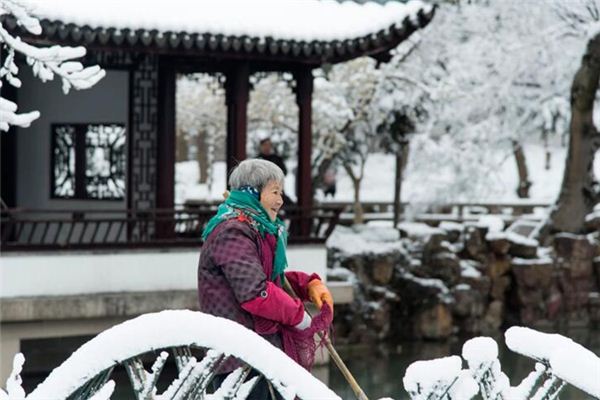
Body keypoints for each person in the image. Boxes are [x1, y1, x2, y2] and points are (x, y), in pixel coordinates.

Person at [197, 158, 333, 399]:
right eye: (275, 192)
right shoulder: (233, 231)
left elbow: (269, 277)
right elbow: (255, 293)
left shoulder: (255, 229)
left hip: (260, 354)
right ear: (253, 192)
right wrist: (298, 314)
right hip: (240, 362)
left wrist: (307, 284)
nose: (280, 201)